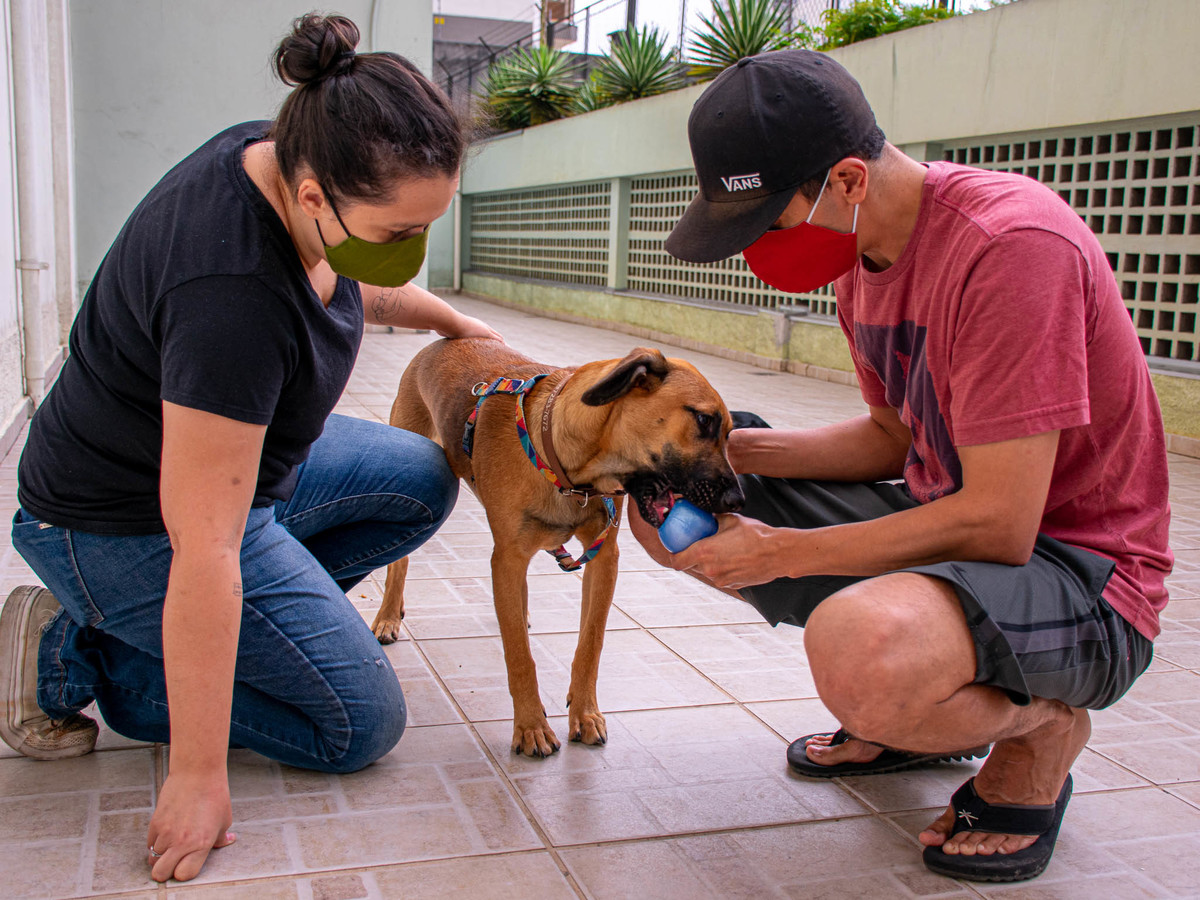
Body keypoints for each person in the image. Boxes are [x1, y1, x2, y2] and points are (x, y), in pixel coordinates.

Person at [629, 50, 1172, 883]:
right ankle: (916, 710)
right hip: (961, 542)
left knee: (863, 653)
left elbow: (1000, 520)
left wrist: (782, 553)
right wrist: (724, 447)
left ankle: (1041, 733)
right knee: (672, 493)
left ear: (847, 180)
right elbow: (890, 439)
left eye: (768, 225)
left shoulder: (1009, 249)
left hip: (1082, 576)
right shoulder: (864, 258)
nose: (756, 253)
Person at [0, 13, 498, 884]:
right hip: (116, 521)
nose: (410, 252)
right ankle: (65, 653)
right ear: (315, 198)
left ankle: (266, 632)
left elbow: (357, 280)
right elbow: (206, 544)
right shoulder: (228, 295)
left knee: (421, 474)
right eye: (396, 235)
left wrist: (456, 322)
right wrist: (197, 775)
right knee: (356, 724)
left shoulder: (285, 146)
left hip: (245, 470)